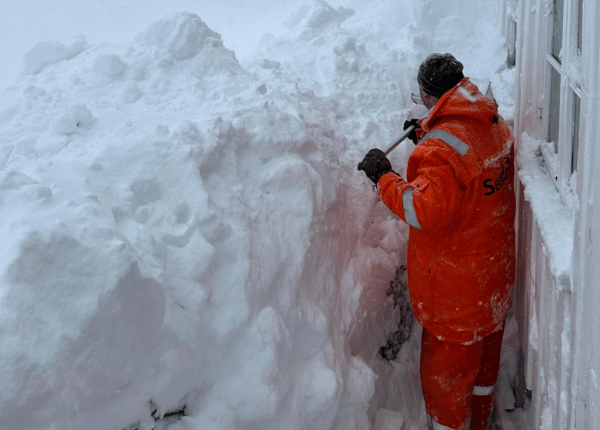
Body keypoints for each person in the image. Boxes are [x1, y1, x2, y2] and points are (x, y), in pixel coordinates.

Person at [357, 53, 516, 430]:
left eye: (422, 97)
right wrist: (428, 130)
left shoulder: (442, 151)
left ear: (430, 96)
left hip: (456, 299)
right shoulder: (490, 121)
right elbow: (466, 159)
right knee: (482, 375)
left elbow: (422, 210)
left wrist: (384, 177)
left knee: (446, 387)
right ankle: (481, 423)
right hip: (491, 284)